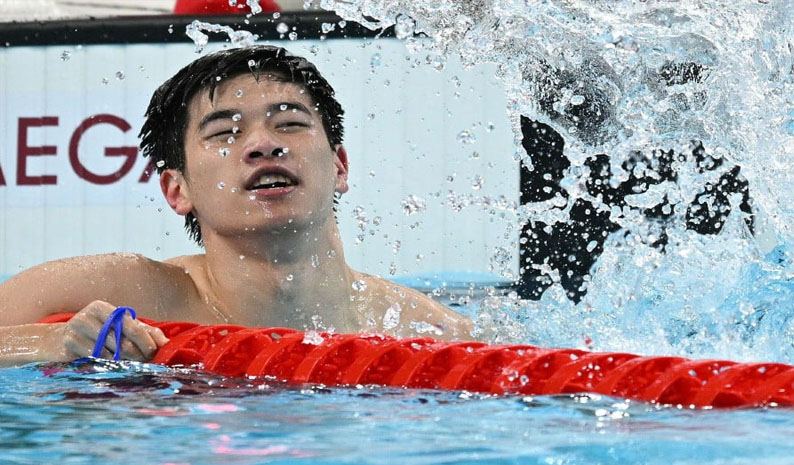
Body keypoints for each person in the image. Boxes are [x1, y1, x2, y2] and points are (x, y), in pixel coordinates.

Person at [0, 46, 472, 367]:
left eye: (290, 123)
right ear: (176, 190)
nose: (264, 144)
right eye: (225, 132)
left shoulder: (431, 330)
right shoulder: (128, 289)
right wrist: (50, 341)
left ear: (340, 167)